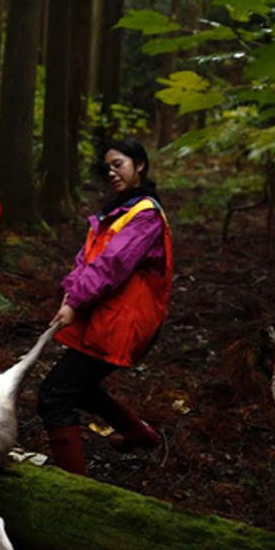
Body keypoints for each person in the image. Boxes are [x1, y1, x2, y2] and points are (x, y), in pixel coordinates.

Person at [39, 138, 174, 475]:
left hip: (119, 324)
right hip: (103, 318)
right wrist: (71, 294)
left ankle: (74, 493)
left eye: (119, 164)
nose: (112, 172)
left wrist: (76, 302)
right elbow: (86, 260)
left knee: (54, 395)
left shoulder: (145, 215)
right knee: (79, 387)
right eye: (107, 167)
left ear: (140, 165)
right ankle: (139, 433)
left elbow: (111, 265)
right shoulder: (120, 210)